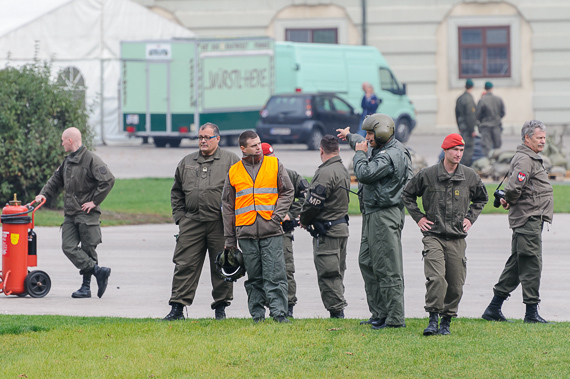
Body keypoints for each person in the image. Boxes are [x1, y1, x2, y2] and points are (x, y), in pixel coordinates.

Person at [402, 133, 488, 336]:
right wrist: (419, 218)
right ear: (445, 151)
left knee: (456, 284)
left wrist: (470, 218)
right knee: (437, 278)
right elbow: (407, 194)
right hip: (434, 236)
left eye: (461, 150)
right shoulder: (428, 174)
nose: (458, 154)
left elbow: (481, 198)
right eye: (454, 150)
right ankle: (433, 319)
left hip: (457, 238)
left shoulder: (469, 176)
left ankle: (446, 321)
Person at [337, 113, 413, 329]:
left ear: (381, 133)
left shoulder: (390, 155)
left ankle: (395, 318)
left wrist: (359, 154)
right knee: (367, 262)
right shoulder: (379, 146)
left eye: (370, 133)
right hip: (372, 212)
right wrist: (349, 135)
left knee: (388, 267)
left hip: (384, 214)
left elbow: (364, 173)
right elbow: (362, 145)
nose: (367, 137)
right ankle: (379, 312)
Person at [163, 123, 240, 321]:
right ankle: (177, 308)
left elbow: (241, 191)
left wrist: (234, 222)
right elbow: (176, 192)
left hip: (220, 223)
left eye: (207, 137)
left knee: (222, 264)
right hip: (192, 222)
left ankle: (221, 309)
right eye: (200, 137)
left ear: (217, 138)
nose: (203, 141)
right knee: (184, 264)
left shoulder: (231, 160)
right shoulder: (187, 161)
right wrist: (180, 217)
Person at [482, 120, 553, 324]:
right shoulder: (525, 159)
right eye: (539, 137)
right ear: (527, 138)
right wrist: (509, 199)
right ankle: (531, 313)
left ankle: (493, 308)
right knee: (531, 263)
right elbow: (514, 187)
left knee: (517, 263)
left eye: (544, 138)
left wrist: (509, 199)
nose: (542, 141)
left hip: (530, 218)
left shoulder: (529, 157)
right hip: (528, 218)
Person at [222, 130, 294, 323]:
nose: (258, 147)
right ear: (243, 148)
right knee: (253, 276)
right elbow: (227, 207)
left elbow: (288, 191)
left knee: (276, 274)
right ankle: (257, 315)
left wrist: (276, 217)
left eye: (259, 143)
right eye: (254, 145)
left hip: (271, 230)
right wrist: (230, 240)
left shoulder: (275, 164)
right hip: (245, 232)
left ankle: (279, 314)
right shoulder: (234, 171)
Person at [36, 127, 114, 299]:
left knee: (88, 250)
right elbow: (55, 180)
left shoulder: (91, 159)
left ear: (70, 141)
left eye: (63, 140)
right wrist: (43, 194)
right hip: (71, 213)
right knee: (68, 247)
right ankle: (98, 271)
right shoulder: (68, 161)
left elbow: (108, 180)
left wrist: (94, 201)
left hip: (87, 214)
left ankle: (86, 288)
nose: (61, 143)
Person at [299, 135, 350, 319]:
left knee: (329, 274)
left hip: (328, 232)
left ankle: (337, 312)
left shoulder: (325, 172)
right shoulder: (342, 169)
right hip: (341, 228)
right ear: (337, 149)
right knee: (338, 271)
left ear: (321, 150)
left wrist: (304, 219)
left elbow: (314, 203)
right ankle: (338, 308)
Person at [261, 142, 309, 317]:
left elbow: (308, 196)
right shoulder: (252, 176)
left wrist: (290, 214)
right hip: (260, 230)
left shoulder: (288, 174)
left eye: (273, 158)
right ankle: (266, 307)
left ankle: (288, 308)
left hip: (282, 231)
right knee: (262, 270)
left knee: (286, 269)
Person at [476, 81, 505, 157]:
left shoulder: (482, 100)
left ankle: (489, 164)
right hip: (497, 126)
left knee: (487, 147)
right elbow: (503, 112)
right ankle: (497, 164)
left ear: (485, 88)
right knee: (497, 147)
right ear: (492, 88)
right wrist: (497, 118)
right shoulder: (498, 99)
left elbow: (477, 115)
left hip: (486, 127)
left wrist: (482, 120)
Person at [455, 78, 477, 166]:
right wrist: (472, 130)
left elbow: (456, 113)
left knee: (461, 147)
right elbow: (470, 115)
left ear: (465, 86)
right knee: (468, 148)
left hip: (462, 127)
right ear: (472, 87)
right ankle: (465, 167)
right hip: (468, 128)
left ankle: (460, 166)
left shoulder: (459, 98)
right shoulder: (469, 99)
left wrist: (459, 127)